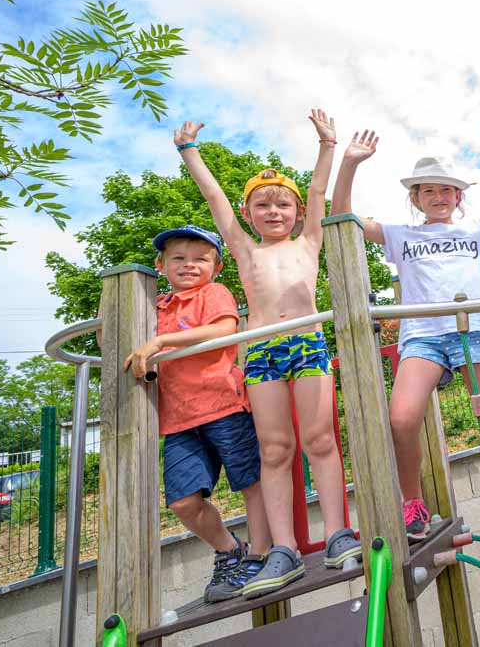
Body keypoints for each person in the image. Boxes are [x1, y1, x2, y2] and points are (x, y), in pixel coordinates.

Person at [330, 116, 480, 596]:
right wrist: (349, 164)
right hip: (423, 336)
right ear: (417, 198)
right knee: (401, 419)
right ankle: (413, 503)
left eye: (447, 190)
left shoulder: (479, 226)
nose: (440, 197)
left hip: (472, 331)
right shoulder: (403, 235)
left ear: (459, 197)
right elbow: (342, 215)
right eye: (429, 191)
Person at [175, 112, 360, 599]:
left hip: (306, 343)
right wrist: (189, 152)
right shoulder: (242, 249)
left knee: (319, 440)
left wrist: (328, 145)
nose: (273, 211)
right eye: (262, 205)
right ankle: (283, 549)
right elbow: (215, 199)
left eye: (283, 204)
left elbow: (319, 193)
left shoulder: (309, 241)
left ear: (297, 213)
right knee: (274, 450)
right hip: (261, 352)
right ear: (249, 213)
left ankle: (339, 532)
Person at [120, 225, 271, 602]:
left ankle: (261, 554)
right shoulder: (155, 308)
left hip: (224, 405)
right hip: (179, 421)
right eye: (178, 258)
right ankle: (229, 549)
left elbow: (223, 328)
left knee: (251, 481)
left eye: (200, 259)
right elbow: (118, 340)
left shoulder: (213, 293)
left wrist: (161, 341)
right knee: (183, 501)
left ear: (215, 267)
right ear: (161, 265)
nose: (189, 265)